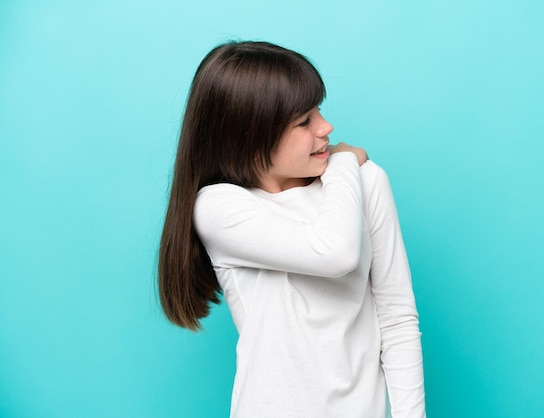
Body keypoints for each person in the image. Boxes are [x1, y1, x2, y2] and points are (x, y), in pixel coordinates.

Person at [158, 40, 426, 418]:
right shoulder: (218, 208)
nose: (326, 127)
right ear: (249, 140)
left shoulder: (368, 183)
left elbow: (397, 319)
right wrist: (346, 162)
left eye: (319, 111)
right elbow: (335, 251)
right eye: (304, 122)